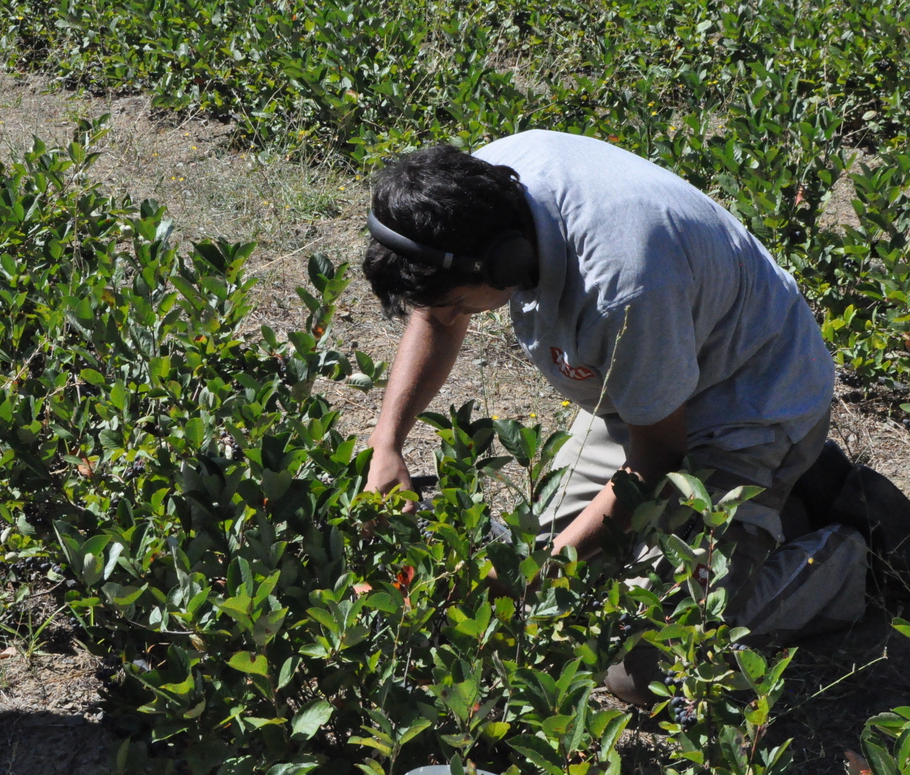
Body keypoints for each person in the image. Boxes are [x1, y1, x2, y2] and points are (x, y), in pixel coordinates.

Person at [360, 130, 871, 704]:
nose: (453, 314)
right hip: (647, 398)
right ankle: (772, 512)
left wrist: (540, 576)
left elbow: (658, 460)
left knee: (646, 666)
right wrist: (387, 444)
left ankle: (837, 566)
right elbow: (435, 317)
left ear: (506, 260)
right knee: (527, 570)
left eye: (459, 302)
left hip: (747, 408)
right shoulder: (471, 194)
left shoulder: (623, 286)